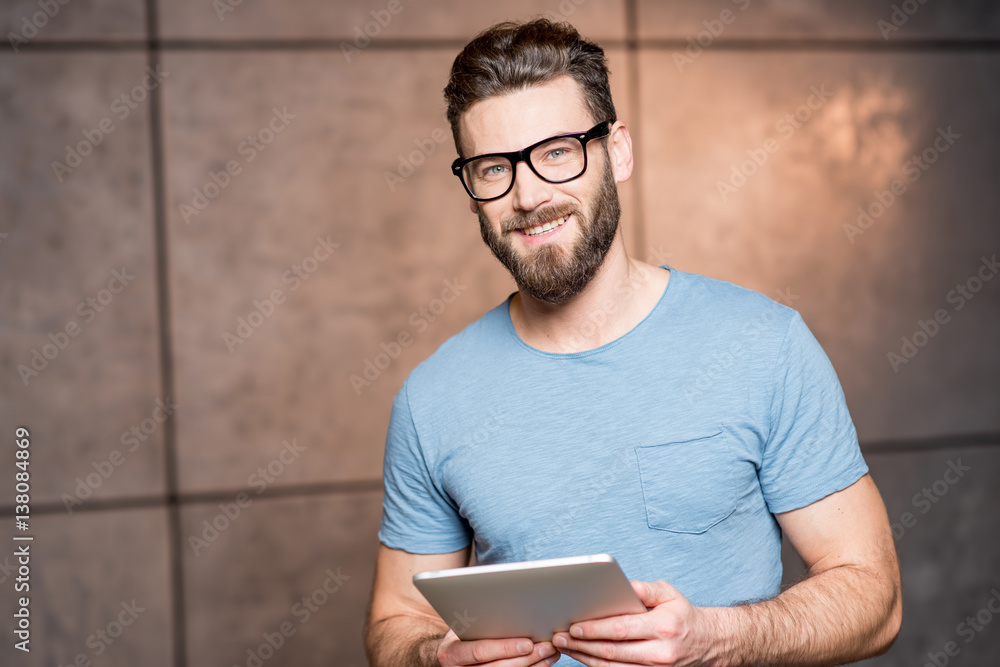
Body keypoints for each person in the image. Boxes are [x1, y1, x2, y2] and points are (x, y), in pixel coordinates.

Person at [364, 18, 901, 667]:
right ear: (470, 190)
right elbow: (396, 620)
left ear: (616, 151)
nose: (529, 195)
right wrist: (431, 657)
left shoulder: (764, 344)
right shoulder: (431, 399)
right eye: (493, 168)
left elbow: (874, 594)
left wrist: (723, 640)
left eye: (557, 150)